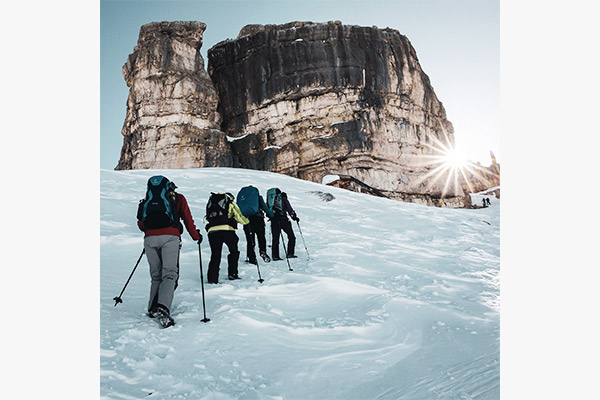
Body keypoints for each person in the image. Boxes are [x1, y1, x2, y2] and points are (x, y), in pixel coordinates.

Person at [137, 175, 202, 327]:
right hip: (170, 237)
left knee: (156, 275)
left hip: (149, 239)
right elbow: (187, 219)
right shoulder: (178, 198)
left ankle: (153, 307)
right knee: (170, 274)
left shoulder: (146, 200)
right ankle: (163, 308)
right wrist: (196, 236)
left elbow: (141, 224)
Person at [205, 192, 249, 283]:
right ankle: (232, 273)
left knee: (215, 254)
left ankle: (212, 279)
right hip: (227, 230)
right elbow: (239, 216)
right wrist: (247, 221)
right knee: (234, 251)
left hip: (212, 231)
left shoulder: (211, 202)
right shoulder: (230, 202)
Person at [236, 186, 274, 265]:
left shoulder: (243, 199)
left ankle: (251, 258)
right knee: (261, 236)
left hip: (247, 220)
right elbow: (264, 207)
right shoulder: (258, 198)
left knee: (250, 239)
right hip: (258, 219)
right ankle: (262, 251)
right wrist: (271, 215)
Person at [267, 188, 299, 260]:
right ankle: (290, 253)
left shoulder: (271, 198)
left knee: (275, 238)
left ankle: (275, 256)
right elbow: (289, 208)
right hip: (283, 219)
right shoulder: (283, 198)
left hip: (274, 219)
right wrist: (294, 217)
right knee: (291, 237)